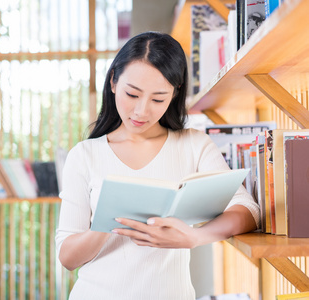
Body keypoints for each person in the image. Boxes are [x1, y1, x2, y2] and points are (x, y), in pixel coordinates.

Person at [55, 31, 260, 300]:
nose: (141, 111)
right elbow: (68, 258)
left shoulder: (193, 146)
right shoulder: (85, 155)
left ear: (174, 95)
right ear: (114, 81)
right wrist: (107, 223)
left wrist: (195, 237)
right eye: (132, 94)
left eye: (158, 99)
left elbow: (248, 210)